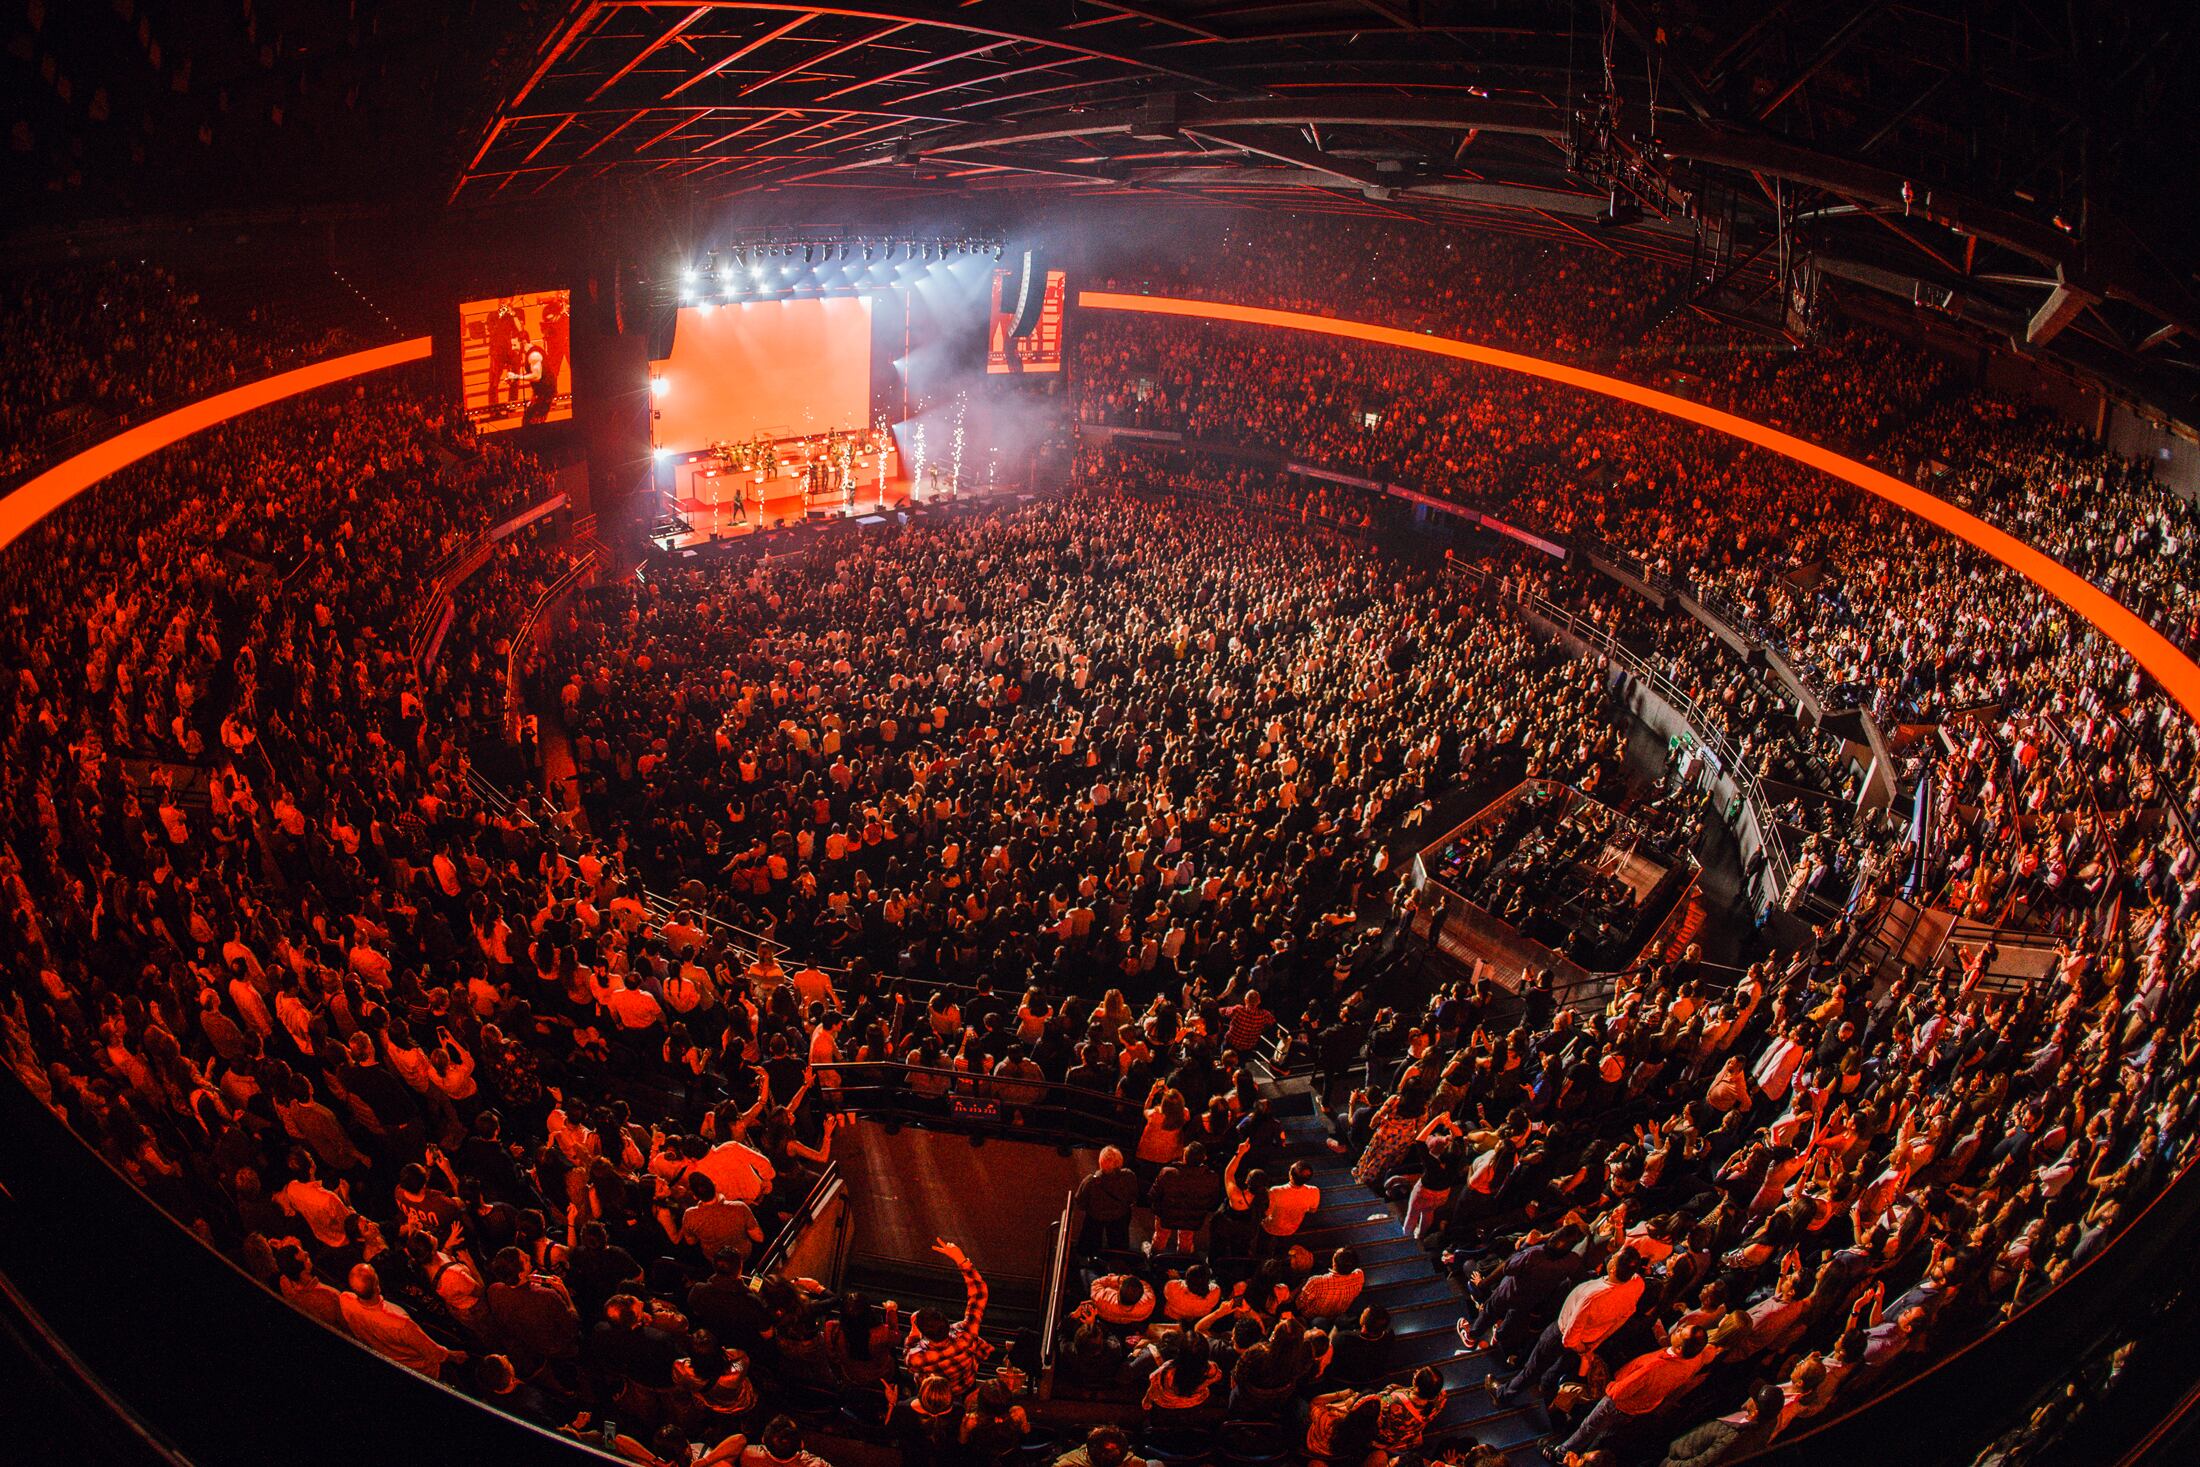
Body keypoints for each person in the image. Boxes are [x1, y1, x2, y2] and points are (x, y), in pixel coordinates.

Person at [902, 1239, 989, 1395]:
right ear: (947, 1322)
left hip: (935, 1396)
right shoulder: (965, 1335)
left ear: (924, 1333)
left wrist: (914, 1332)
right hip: (966, 1387)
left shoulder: (917, 1357)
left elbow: (909, 1359)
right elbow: (979, 1293)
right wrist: (961, 1260)